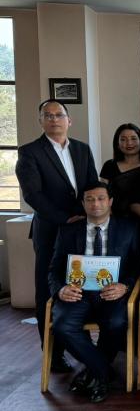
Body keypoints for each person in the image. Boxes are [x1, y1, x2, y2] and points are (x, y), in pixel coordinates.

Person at [15, 99, 98, 373]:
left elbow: (91, 185)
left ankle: (80, 343)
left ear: (69, 120)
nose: (54, 119)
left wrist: (87, 216)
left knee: (80, 284)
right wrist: (64, 218)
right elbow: (32, 194)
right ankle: (52, 353)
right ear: (41, 121)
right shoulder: (30, 152)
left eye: (59, 115)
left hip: (81, 229)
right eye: (47, 115)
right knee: (48, 289)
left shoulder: (82, 149)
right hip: (51, 229)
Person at [48, 182, 139, 402]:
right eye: (89, 199)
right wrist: (60, 290)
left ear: (110, 202)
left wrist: (125, 286)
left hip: (112, 293)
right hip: (78, 293)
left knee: (116, 323)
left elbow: (138, 266)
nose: (95, 204)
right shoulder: (68, 231)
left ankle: (93, 372)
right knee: (62, 326)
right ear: (83, 203)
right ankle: (102, 372)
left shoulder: (129, 229)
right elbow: (54, 269)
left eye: (100, 198)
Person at [99, 123, 140, 218]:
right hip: (115, 217)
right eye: (123, 139)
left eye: (133, 139)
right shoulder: (109, 165)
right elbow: (101, 193)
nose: (129, 143)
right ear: (117, 144)